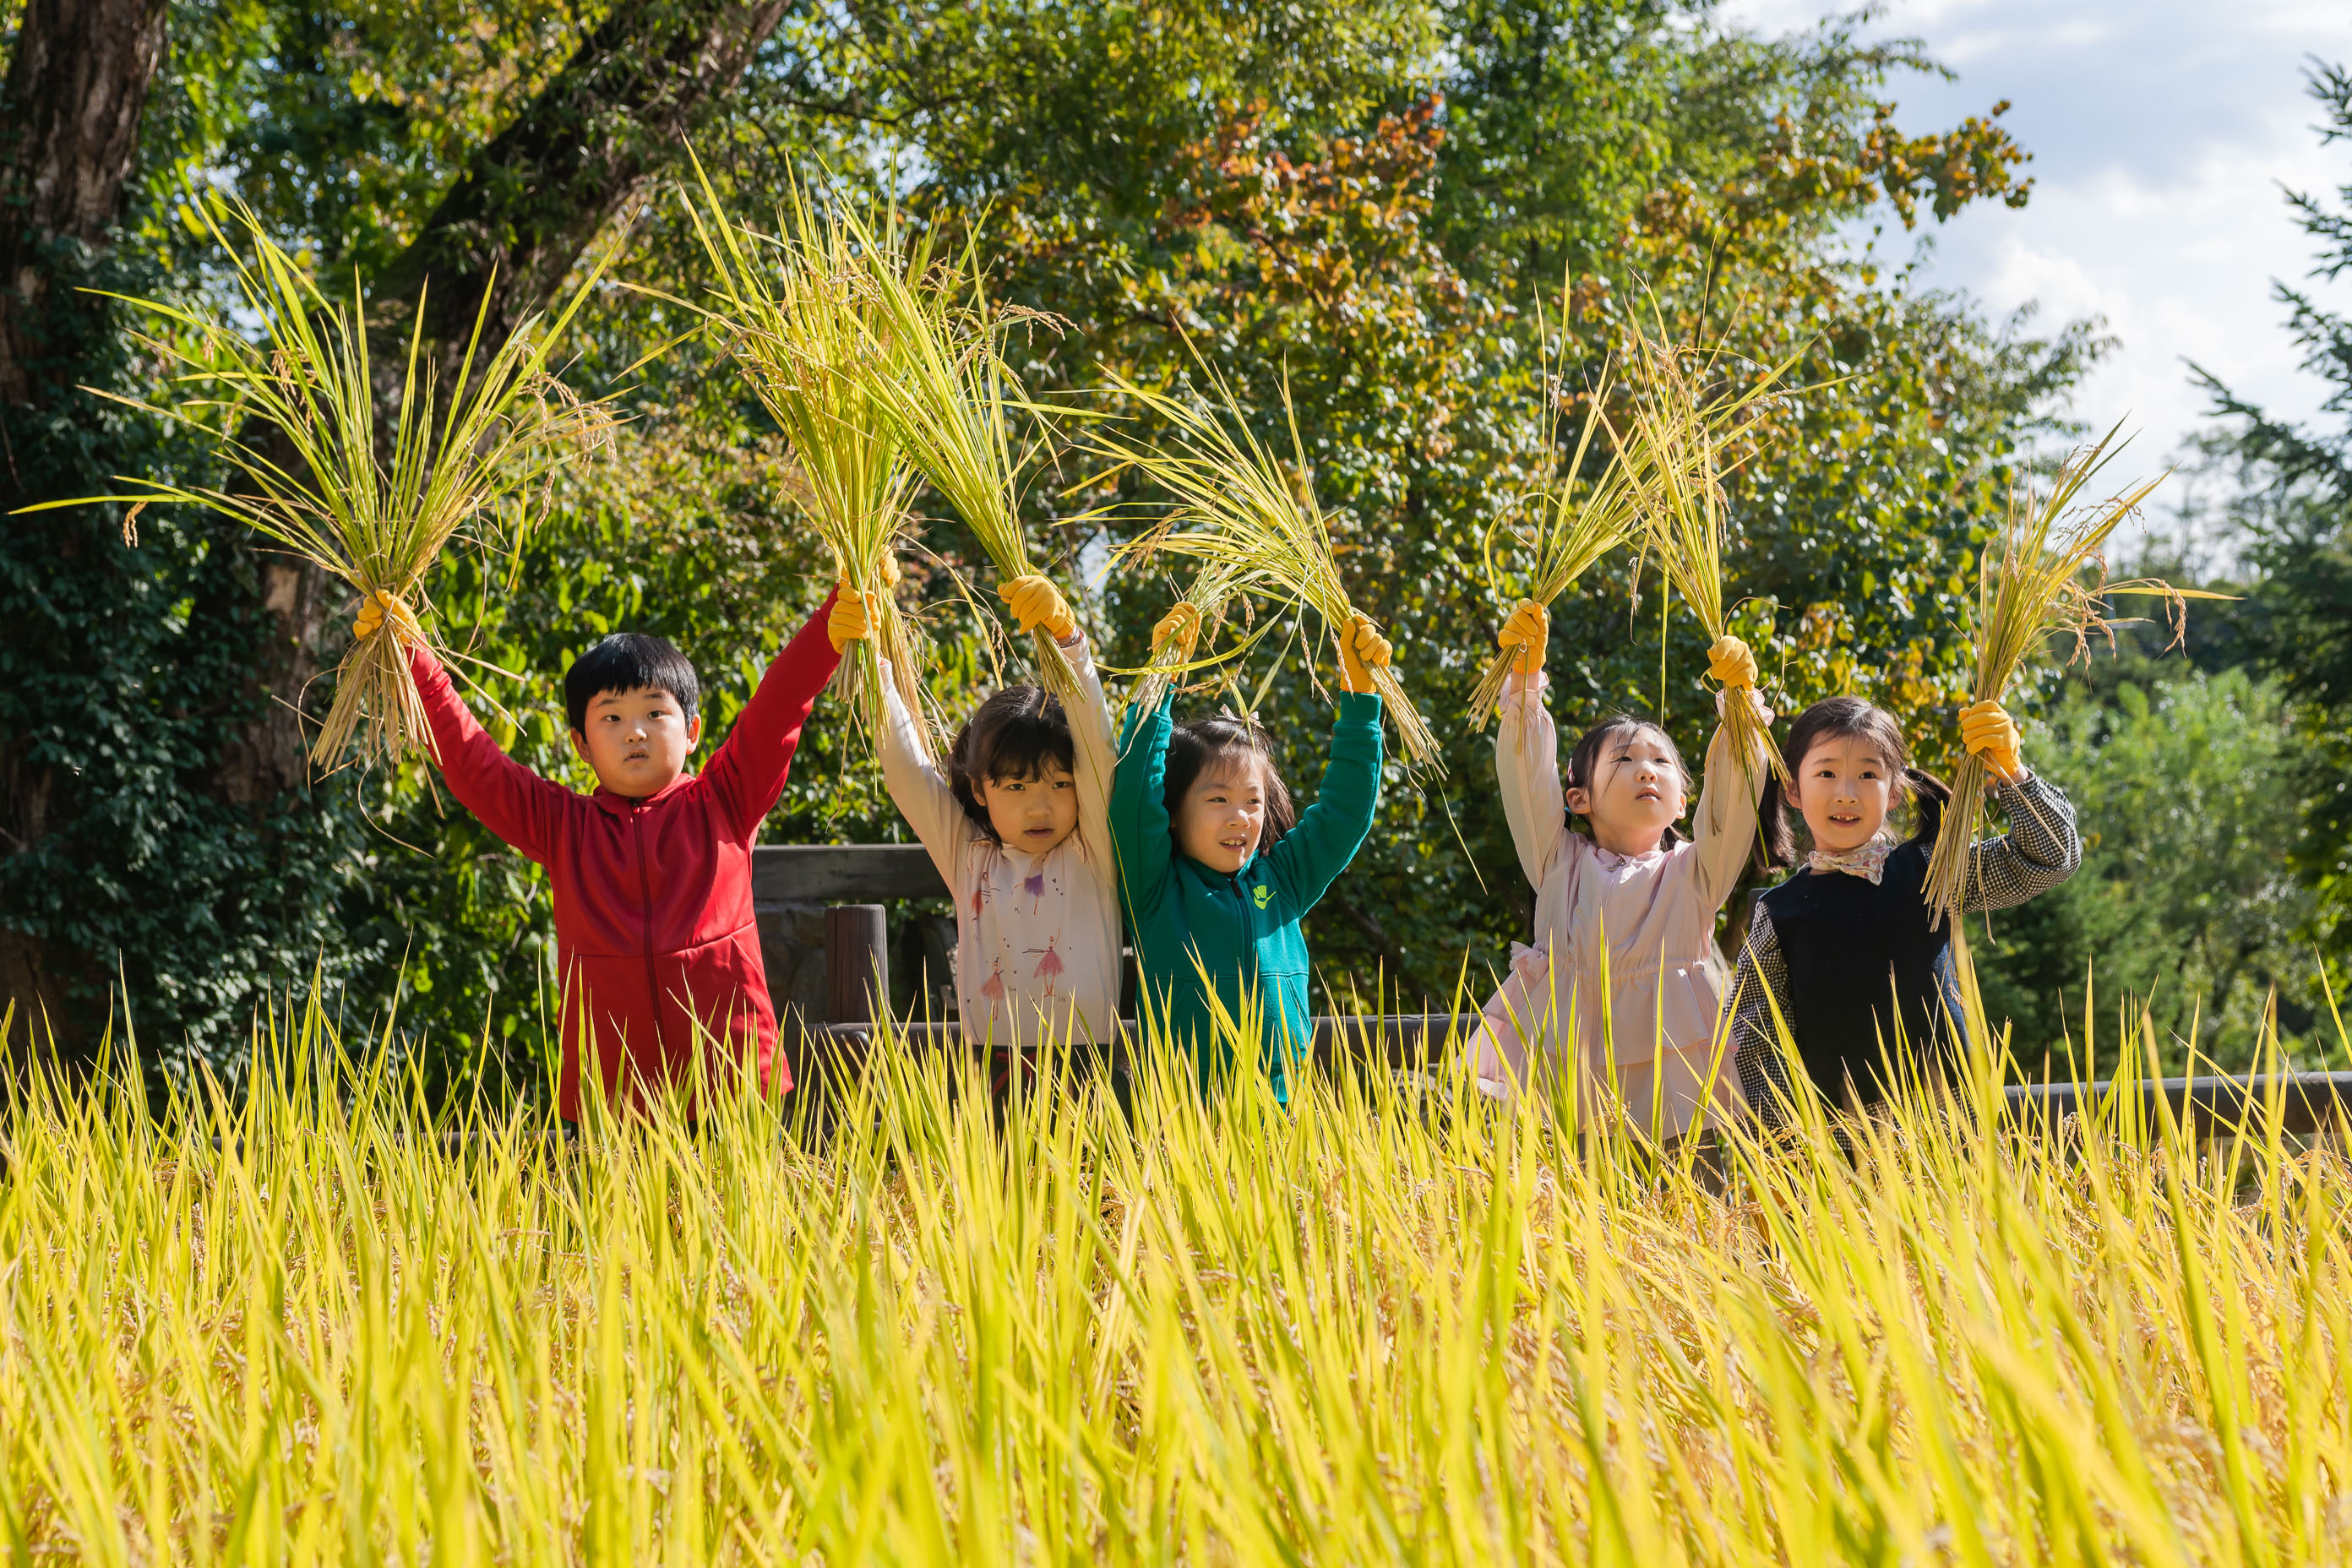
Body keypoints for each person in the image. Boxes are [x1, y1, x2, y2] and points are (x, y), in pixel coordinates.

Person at [360, 584, 841, 1123]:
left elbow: (778, 706)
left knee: (743, 1210)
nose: (635, 732)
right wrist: (412, 658)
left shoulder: (725, 800)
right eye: (611, 718)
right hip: (611, 1100)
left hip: (733, 1085)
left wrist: (832, 623)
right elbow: (476, 765)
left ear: (692, 733)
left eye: (656, 713)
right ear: (581, 745)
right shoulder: (563, 826)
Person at [1464, 599, 1768, 1137]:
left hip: (1677, 1082)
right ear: (1578, 798)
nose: (1646, 771)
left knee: (1684, 1197)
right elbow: (1525, 782)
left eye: (1661, 761)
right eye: (1623, 760)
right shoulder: (1560, 865)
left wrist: (1741, 717)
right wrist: (1526, 684)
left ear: (1682, 804)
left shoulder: (1696, 875)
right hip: (1566, 1080)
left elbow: (1735, 804)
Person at [1729, 694, 2082, 1124]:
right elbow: (1752, 1044)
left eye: (1867, 774)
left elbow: (2052, 857)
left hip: (1952, 1127)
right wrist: (1786, 1155)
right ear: (1793, 789)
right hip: (1843, 1143)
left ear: (1895, 790)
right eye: (1826, 773)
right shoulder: (1779, 912)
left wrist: (2013, 772)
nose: (1846, 793)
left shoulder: (1932, 872)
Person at [829, 574, 1120, 1090]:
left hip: (1091, 1063)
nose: (1041, 806)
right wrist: (870, 659)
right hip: (992, 1066)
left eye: (1059, 783)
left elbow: (1096, 747)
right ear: (980, 789)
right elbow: (904, 767)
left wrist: (1069, 641)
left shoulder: (1092, 848)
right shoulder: (970, 857)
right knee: (1000, 1176)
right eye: (1016, 787)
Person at [1109, 604, 1390, 1100]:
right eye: (1218, 800)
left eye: (1252, 801)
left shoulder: (1282, 881)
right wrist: (1159, 685)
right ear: (1173, 810)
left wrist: (1362, 702)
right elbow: (1134, 796)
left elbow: (1344, 814)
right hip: (1185, 1122)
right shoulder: (1154, 890)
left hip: (1284, 1118)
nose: (1240, 817)